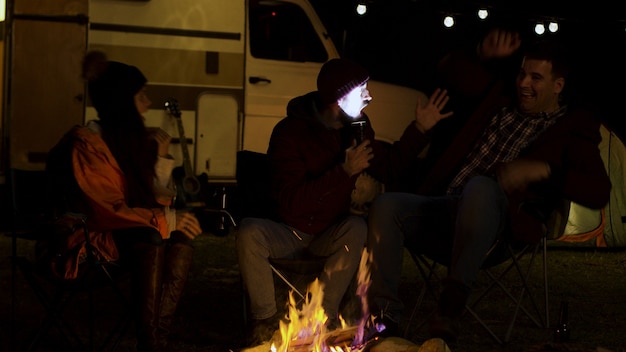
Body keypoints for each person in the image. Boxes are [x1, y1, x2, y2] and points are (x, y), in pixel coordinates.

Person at [366, 28, 612, 343]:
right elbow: (448, 69)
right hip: (444, 211)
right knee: (387, 205)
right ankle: (383, 321)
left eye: (536, 78)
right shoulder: (498, 100)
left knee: (481, 186)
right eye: (522, 74)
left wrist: (544, 170)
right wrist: (481, 52)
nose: (523, 83)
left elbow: (599, 192)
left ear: (558, 85)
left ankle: (450, 308)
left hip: (497, 230)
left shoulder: (572, 131)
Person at [236, 58, 452, 346]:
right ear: (338, 100)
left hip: (328, 232)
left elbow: (387, 166)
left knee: (356, 227)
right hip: (287, 231)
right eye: (362, 90)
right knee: (249, 232)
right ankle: (264, 324)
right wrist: (343, 173)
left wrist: (419, 129)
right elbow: (291, 204)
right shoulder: (290, 133)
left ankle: (320, 318)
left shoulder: (357, 127)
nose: (369, 96)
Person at [44, 51, 202, 352]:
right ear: (121, 102)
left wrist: (163, 159)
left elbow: (152, 198)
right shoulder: (88, 146)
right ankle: (150, 343)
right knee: (154, 236)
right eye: (141, 96)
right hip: (85, 243)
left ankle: (157, 339)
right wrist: (166, 219)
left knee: (181, 238)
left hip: (120, 236)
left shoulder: (125, 142)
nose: (147, 105)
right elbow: (106, 211)